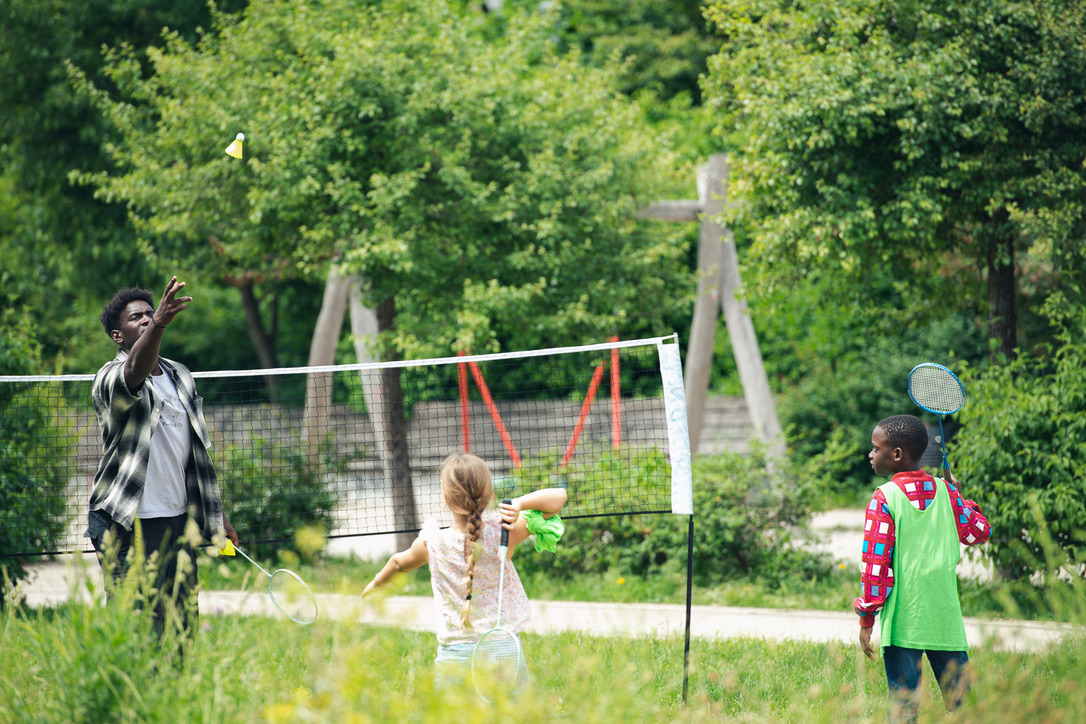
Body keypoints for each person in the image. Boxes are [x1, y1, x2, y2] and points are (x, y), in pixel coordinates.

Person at [86, 277, 239, 638]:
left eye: (149, 314)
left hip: (177, 522)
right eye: (135, 317)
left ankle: (176, 691)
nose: (145, 318)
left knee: (181, 623)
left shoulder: (179, 375)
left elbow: (191, 454)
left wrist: (217, 516)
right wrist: (158, 324)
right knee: (137, 626)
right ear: (117, 335)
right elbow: (135, 373)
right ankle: (127, 694)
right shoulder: (109, 378)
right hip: (127, 522)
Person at [362, 453, 567, 691]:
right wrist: (518, 503)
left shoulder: (433, 543)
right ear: (489, 495)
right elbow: (559, 497)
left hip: (455, 655)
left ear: (446, 498)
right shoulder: (504, 534)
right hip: (502, 649)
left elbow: (398, 563)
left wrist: (375, 584)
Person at [854, 414, 991, 723]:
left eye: (876, 448)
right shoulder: (946, 492)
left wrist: (866, 617)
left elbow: (875, 567)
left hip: (904, 623)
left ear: (897, 454)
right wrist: (959, 497)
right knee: (964, 706)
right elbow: (979, 532)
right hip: (945, 621)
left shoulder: (884, 498)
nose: (871, 454)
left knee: (903, 709)